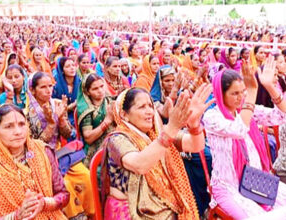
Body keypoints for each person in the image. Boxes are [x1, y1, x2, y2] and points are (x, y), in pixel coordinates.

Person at [202, 56, 286, 219]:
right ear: (221, 93)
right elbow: (239, 129)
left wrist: (269, 86)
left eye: (243, 92)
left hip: (257, 180)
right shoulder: (212, 117)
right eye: (235, 93)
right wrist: (251, 94)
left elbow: (283, 116)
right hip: (229, 187)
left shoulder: (245, 110)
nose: (240, 97)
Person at [102, 84, 213, 219]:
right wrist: (172, 128)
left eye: (150, 106)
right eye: (142, 107)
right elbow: (139, 164)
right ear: (124, 115)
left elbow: (195, 145)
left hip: (160, 207)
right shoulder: (117, 139)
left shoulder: (156, 134)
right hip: (131, 212)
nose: (150, 111)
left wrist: (194, 124)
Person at [0, 104, 69, 219]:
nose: (18, 132)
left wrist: (44, 203)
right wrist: (16, 216)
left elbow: (64, 195)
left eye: (22, 124)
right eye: (9, 127)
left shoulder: (42, 151)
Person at [27, 72, 95, 219]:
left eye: (50, 86)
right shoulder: (28, 113)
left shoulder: (57, 104)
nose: (48, 90)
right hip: (40, 157)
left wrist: (62, 119)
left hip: (59, 153)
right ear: (33, 90)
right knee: (66, 184)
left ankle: (91, 214)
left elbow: (67, 134)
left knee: (86, 176)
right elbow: (37, 145)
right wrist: (52, 122)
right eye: (43, 87)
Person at [77, 73, 115, 167]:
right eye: (95, 89)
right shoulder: (86, 110)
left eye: (102, 86)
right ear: (87, 92)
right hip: (96, 149)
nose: (100, 91)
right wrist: (107, 121)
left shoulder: (109, 101)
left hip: (114, 142)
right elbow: (89, 138)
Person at [52, 57, 81, 127]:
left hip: (79, 115)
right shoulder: (56, 86)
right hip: (62, 118)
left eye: (73, 65)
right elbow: (53, 108)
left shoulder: (80, 83)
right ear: (62, 70)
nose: (72, 68)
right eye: (68, 66)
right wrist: (69, 107)